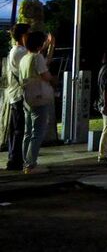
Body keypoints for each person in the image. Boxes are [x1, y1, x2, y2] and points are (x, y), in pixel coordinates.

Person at [19, 31, 55, 174]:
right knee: (38, 132)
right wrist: (53, 79)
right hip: (40, 98)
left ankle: (26, 163)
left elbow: (44, 62)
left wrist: (50, 45)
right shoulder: (37, 57)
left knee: (28, 132)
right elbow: (44, 73)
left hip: (27, 97)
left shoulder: (25, 58)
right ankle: (30, 164)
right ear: (39, 44)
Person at [4, 23, 30, 171]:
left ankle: (13, 158)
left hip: (13, 94)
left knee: (15, 129)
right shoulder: (21, 52)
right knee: (19, 129)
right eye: (28, 33)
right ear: (23, 36)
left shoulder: (14, 50)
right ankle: (15, 160)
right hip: (19, 95)